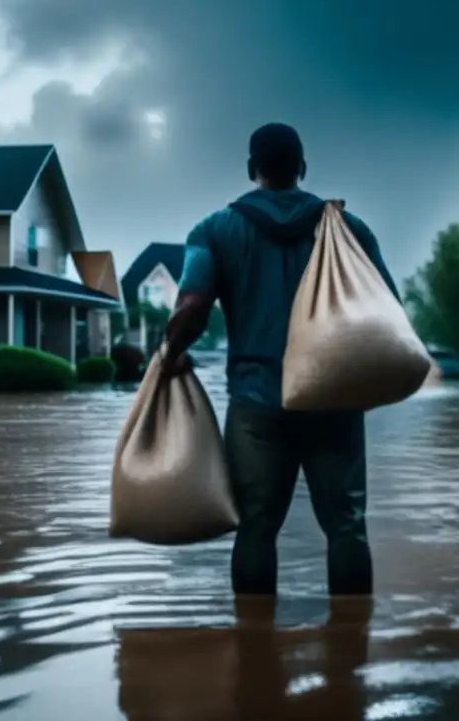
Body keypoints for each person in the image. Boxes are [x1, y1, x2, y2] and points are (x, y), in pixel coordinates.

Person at [160, 123, 398, 597]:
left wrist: (167, 358)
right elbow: (387, 310)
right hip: (335, 399)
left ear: (252, 170)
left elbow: (191, 310)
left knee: (255, 529)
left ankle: (254, 655)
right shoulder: (348, 230)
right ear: (303, 169)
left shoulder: (214, 230)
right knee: (347, 526)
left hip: (256, 404)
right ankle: (349, 658)